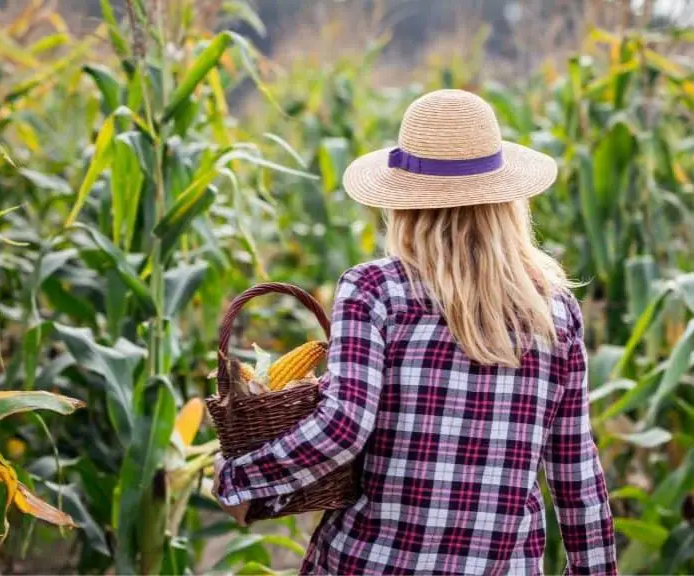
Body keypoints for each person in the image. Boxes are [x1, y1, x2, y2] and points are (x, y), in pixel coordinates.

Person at [213, 89, 617, 575]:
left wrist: (239, 477)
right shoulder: (554, 312)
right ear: (507, 202)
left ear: (404, 203)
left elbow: (342, 429)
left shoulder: (374, 290)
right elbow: (576, 475)